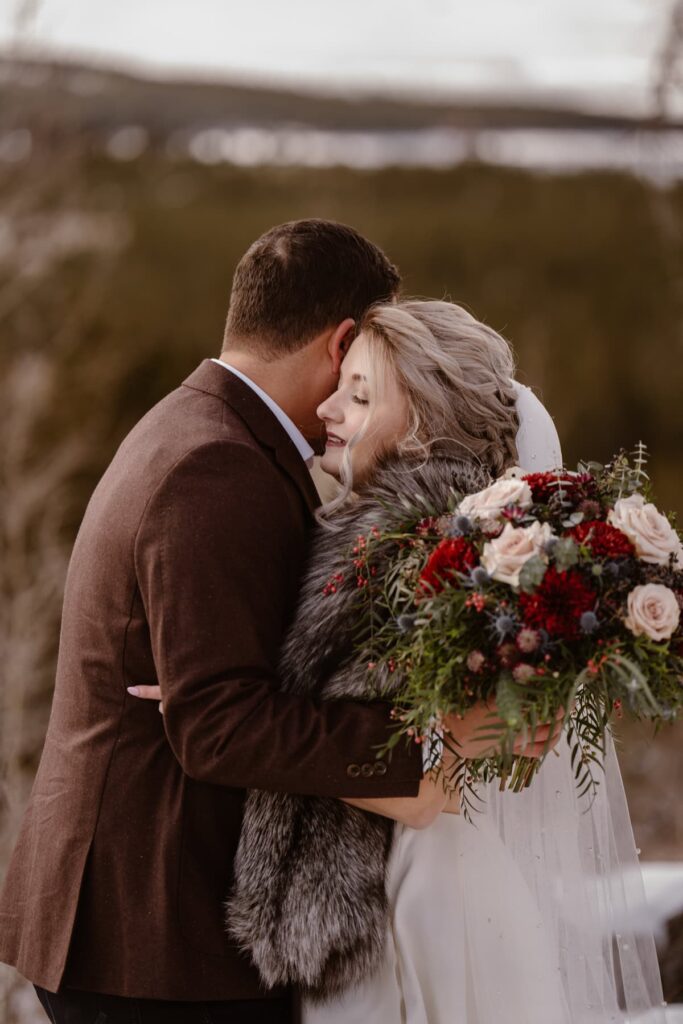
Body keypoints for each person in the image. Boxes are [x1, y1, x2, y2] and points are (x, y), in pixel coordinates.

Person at [0, 221, 555, 1024]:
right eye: (355, 375)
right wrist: (429, 738)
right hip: (155, 936)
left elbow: (220, 697)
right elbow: (217, 722)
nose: (338, 405)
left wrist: (220, 690)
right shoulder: (218, 464)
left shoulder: (198, 428)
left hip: (160, 926)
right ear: (339, 342)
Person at [138, 300, 664, 1022]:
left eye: (360, 394)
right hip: (419, 879)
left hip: (402, 896)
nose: (326, 406)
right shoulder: (440, 542)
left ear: (419, 424)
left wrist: (211, 701)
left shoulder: (413, 555)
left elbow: (421, 771)